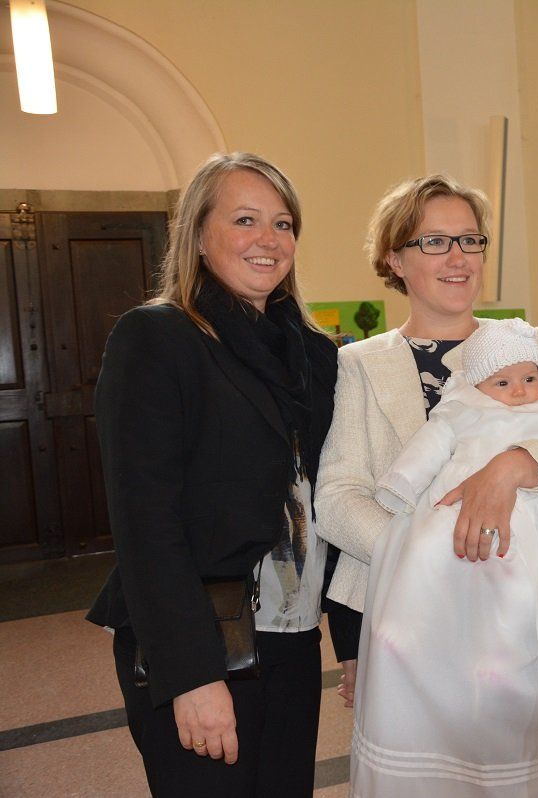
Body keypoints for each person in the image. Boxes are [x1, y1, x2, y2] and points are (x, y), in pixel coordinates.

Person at [313, 174, 538, 795]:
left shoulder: (531, 344)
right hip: (410, 619)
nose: (458, 258)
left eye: (470, 240)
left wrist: (516, 465)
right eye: (434, 242)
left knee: (513, 778)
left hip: (519, 619)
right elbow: (337, 497)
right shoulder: (360, 363)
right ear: (394, 259)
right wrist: (426, 556)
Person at [86, 152, 338, 796]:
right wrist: (193, 676)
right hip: (201, 635)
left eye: (283, 224)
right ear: (198, 235)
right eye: (245, 220)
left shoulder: (313, 353)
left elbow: (328, 496)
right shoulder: (158, 338)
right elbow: (145, 523)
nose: (268, 239)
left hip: (292, 636)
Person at [360, 318, 538, 797]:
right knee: (424, 567)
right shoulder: (462, 409)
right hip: (453, 525)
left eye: (528, 378)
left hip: (536, 532)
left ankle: (500, 678)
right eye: (503, 383)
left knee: (516, 610)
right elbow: (426, 450)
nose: (519, 391)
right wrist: (400, 488)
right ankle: (407, 632)